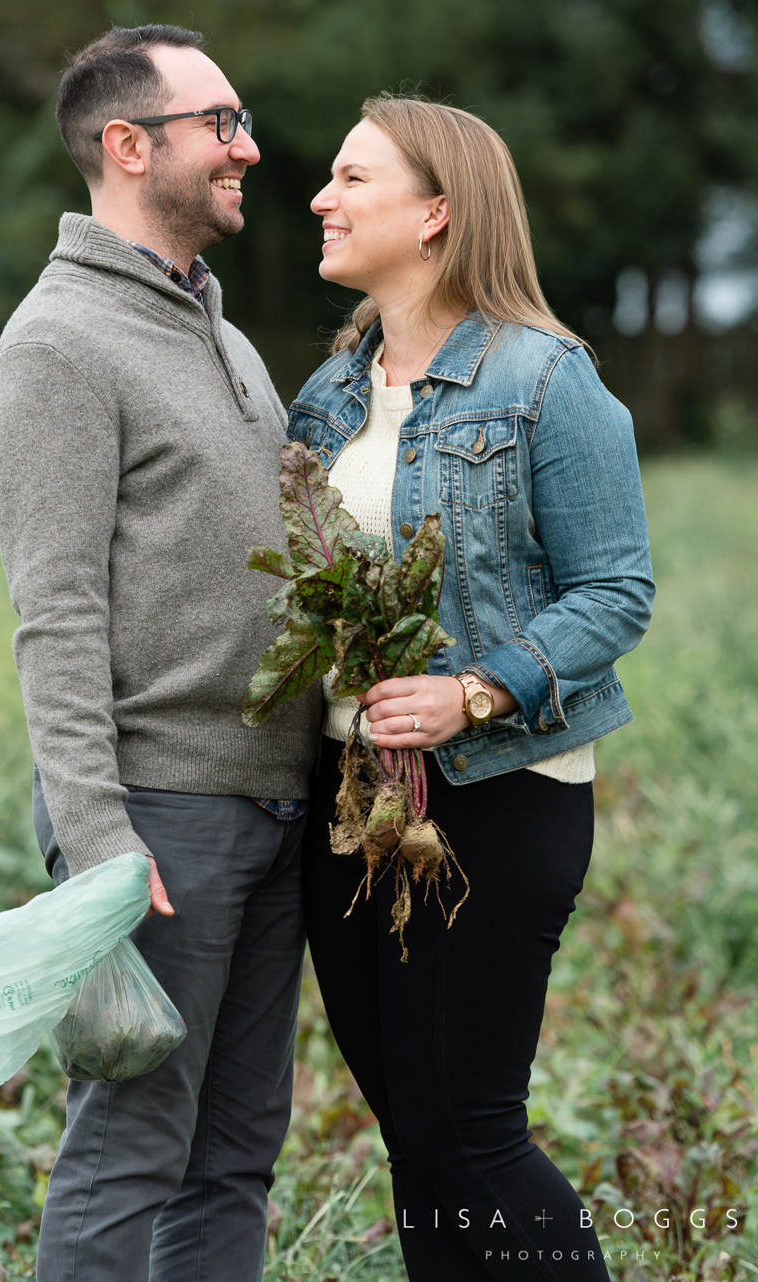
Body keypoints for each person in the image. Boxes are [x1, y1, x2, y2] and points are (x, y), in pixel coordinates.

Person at [287, 95, 655, 1282]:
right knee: (416, 1134)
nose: (320, 198)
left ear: (435, 213)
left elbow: (615, 590)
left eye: (352, 178)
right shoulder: (336, 388)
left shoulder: (546, 378)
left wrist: (475, 693)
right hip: (355, 800)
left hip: (494, 792)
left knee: (469, 1130)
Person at [0, 24, 321, 1282]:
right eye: (221, 123)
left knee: (236, 1150)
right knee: (133, 1148)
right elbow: (52, 613)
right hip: (161, 821)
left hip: (277, 803)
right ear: (130, 146)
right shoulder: (60, 344)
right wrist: (100, 841)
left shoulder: (219, 333)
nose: (250, 146)